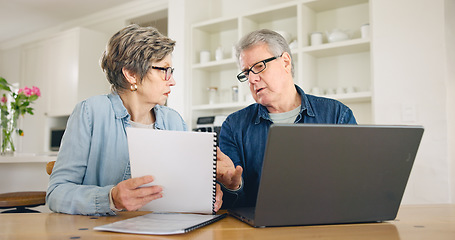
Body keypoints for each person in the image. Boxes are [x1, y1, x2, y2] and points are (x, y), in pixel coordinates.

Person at [46, 24, 222, 215]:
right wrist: (111, 198)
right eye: (164, 70)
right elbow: (56, 193)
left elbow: (186, 186)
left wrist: (206, 193)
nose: (172, 80)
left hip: (164, 230)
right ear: (131, 74)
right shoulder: (90, 113)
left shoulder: (174, 121)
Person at [216, 29, 357, 208]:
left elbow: (356, 183)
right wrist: (233, 186)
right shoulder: (234, 126)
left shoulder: (337, 114)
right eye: (246, 72)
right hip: (260, 231)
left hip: (326, 224)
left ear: (285, 62)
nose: (252, 79)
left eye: (259, 66)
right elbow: (232, 204)